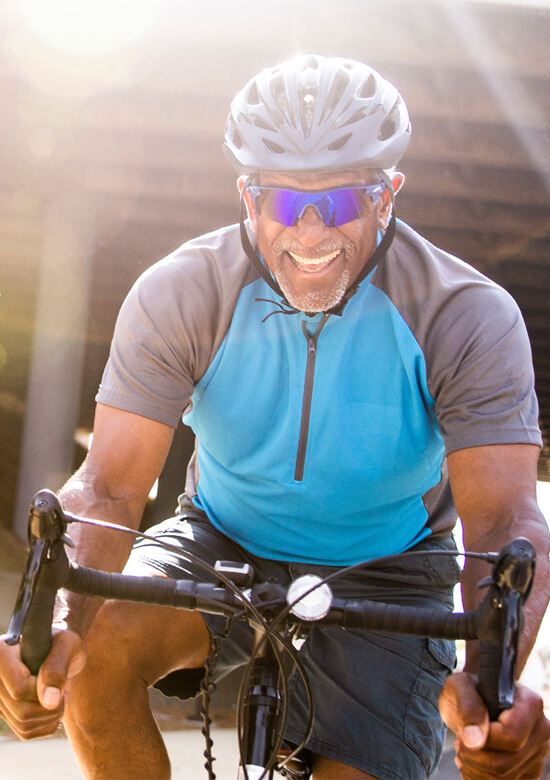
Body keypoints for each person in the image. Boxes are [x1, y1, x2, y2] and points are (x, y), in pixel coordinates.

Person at [1, 54, 549, 780]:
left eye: (345, 200)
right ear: (248, 198)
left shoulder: (467, 314)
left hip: (390, 571)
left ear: (389, 195)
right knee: (89, 661)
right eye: (286, 204)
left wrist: (493, 685)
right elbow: (106, 488)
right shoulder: (182, 292)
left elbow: (504, 521)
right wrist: (48, 625)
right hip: (217, 538)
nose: (313, 233)